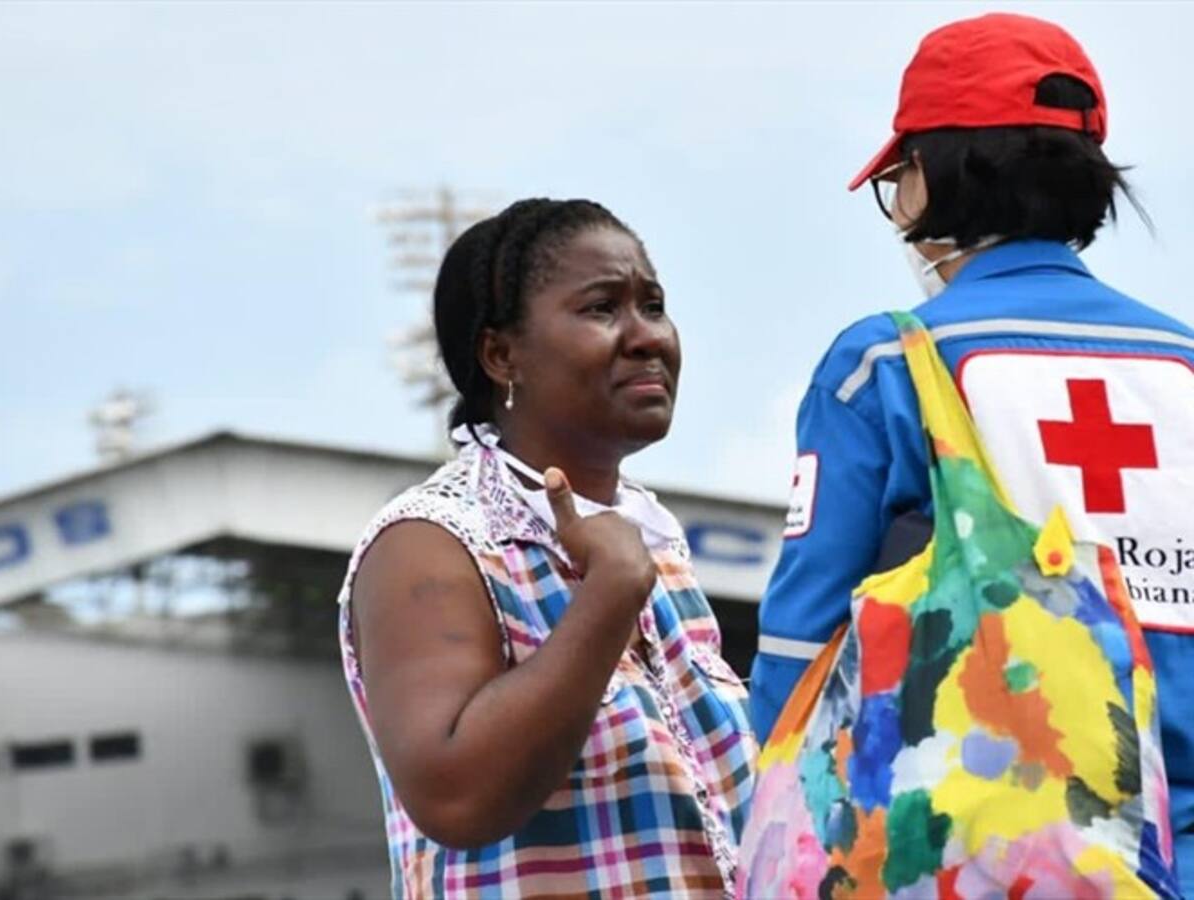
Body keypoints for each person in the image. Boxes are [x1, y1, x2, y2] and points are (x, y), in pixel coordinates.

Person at [749, 12, 1193, 894]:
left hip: (987, 857)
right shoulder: (1183, 361)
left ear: (932, 174)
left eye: (898, 179)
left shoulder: (883, 364)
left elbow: (802, 645)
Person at [339, 198, 756, 898]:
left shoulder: (656, 546)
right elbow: (456, 797)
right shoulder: (431, 542)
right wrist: (607, 597)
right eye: (602, 308)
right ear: (502, 355)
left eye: (653, 306)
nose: (647, 336)